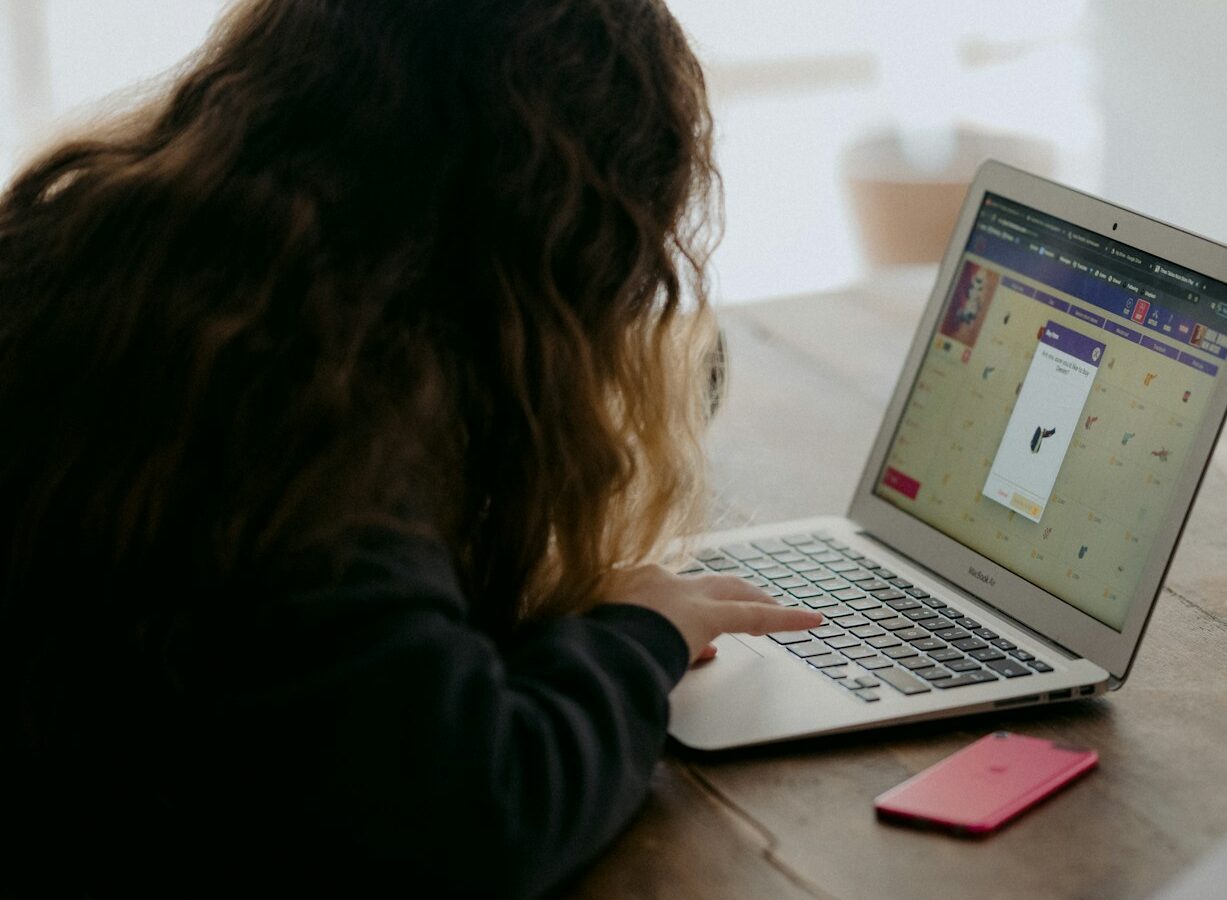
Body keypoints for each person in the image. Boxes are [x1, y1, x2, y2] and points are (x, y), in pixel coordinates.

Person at [0, 0, 822, 896]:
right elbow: (479, 817)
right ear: (559, 233)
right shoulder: (309, 417)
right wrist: (642, 635)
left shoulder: (109, 255)